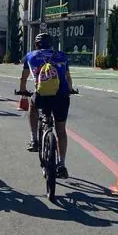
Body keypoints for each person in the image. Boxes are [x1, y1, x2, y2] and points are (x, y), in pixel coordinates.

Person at [19, 33, 74, 179]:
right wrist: (69, 89)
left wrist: (23, 91)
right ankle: (62, 164)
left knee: (33, 105)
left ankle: (34, 139)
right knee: (61, 130)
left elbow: (24, 77)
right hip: (61, 96)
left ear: (37, 44)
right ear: (51, 44)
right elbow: (68, 77)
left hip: (42, 95)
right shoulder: (61, 55)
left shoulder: (30, 56)